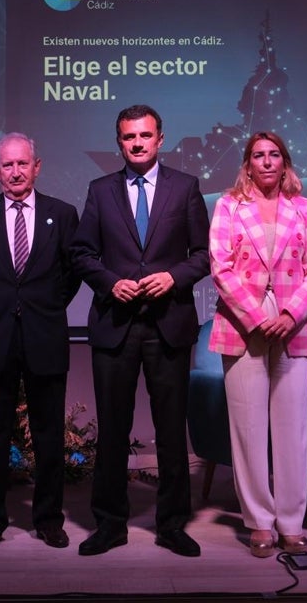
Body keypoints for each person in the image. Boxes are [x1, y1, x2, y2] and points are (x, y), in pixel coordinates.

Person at [70, 104, 210, 558]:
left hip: (169, 324)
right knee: (112, 429)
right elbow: (82, 253)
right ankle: (110, 524)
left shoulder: (185, 187)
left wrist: (173, 278)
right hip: (116, 324)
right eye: (128, 137)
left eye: (145, 135)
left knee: (172, 432)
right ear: (119, 142)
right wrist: (111, 283)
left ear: (160, 138)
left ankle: (172, 525)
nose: (137, 143)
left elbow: (205, 254)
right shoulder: (99, 190)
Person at [0, 133, 80, 552]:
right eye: (6, 165)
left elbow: (72, 275)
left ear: (37, 166)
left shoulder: (62, 214)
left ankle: (48, 519)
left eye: (22, 164)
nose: (15, 172)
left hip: (45, 337)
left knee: (48, 435)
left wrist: (40, 308)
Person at [208, 132, 307, 558]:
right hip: (243, 328)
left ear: (285, 161)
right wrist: (259, 318)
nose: (267, 161)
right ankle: (260, 522)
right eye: (258, 155)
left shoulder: (305, 208)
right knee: (248, 430)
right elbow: (219, 268)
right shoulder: (228, 205)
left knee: (292, 432)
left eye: (274, 154)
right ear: (247, 163)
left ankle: (292, 522)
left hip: (296, 327)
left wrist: (290, 314)